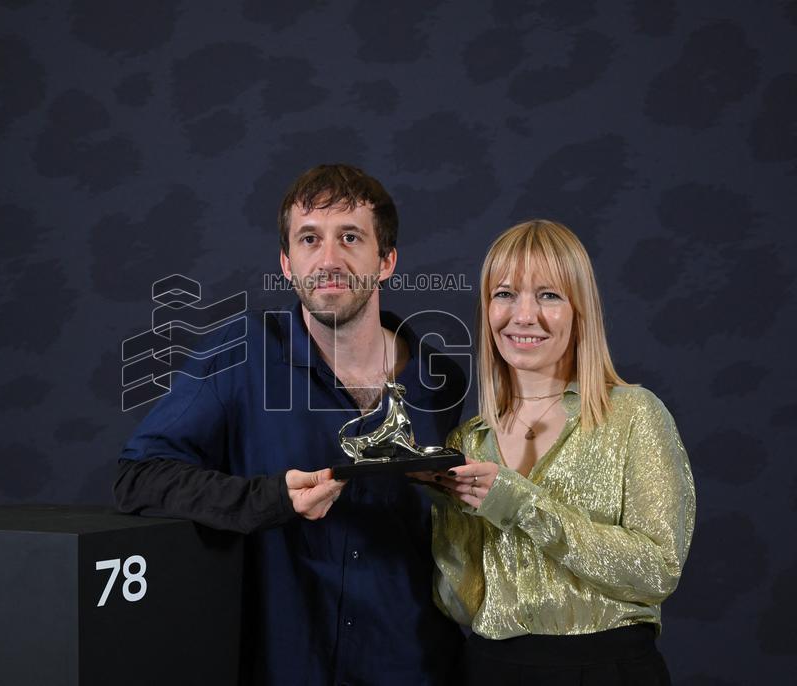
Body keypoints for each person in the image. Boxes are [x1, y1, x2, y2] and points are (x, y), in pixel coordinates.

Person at [115, 164, 467, 685]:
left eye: (350, 237)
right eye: (309, 239)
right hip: (285, 666)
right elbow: (137, 478)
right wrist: (270, 499)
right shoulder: (239, 356)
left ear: (387, 260)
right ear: (286, 262)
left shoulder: (439, 379)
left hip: (413, 667)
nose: (328, 259)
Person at [424, 219, 695, 685]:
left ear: (579, 310)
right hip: (492, 670)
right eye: (504, 294)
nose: (523, 315)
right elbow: (459, 602)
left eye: (548, 295)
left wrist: (520, 502)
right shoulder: (467, 440)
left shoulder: (633, 415)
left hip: (609, 670)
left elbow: (657, 572)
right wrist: (446, 506)